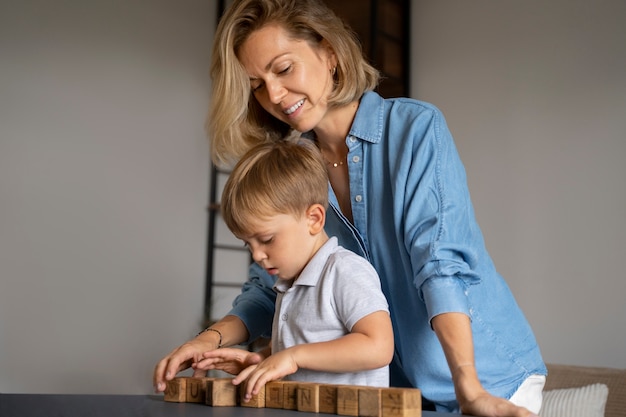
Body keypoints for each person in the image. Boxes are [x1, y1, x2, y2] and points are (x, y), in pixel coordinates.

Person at [153, 0, 547, 415]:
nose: (273, 94)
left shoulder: (414, 129)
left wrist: (470, 389)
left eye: (284, 69)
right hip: (397, 398)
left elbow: (440, 263)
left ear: (329, 52)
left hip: (489, 381)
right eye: (256, 84)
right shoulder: (292, 168)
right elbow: (265, 290)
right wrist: (206, 342)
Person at [200, 137, 394, 402]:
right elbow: (299, 352)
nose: (257, 255)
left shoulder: (344, 271)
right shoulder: (287, 284)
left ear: (313, 219)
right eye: (249, 244)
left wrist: (292, 356)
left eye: (267, 240)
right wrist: (263, 360)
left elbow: (379, 346)